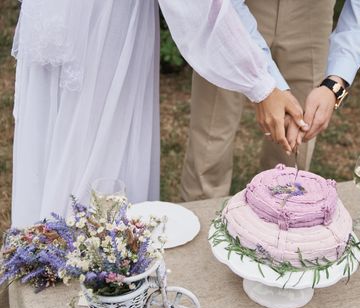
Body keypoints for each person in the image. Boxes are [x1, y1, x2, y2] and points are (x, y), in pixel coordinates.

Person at [10, 0, 304, 228]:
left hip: (57, 18)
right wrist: (262, 85)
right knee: (98, 157)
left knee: (50, 147)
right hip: (106, 30)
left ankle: (43, 258)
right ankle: (94, 274)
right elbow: (199, 9)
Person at [180, 0, 360, 201]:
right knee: (210, 139)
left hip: (312, 15)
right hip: (229, 11)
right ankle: (203, 222)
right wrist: (269, 88)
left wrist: (336, 83)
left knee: (294, 145)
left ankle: (280, 222)